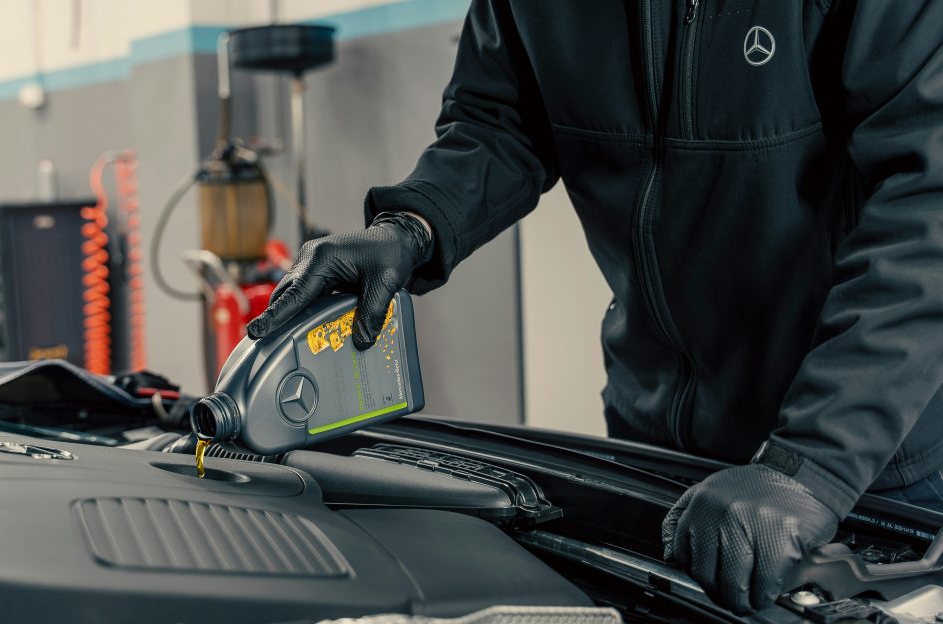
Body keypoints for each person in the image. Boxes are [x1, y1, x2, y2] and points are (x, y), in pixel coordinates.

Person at [245, 0, 943, 615]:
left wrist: (812, 466)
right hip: (654, 449)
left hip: (865, 463)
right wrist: (411, 228)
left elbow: (928, 210)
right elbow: (499, 121)